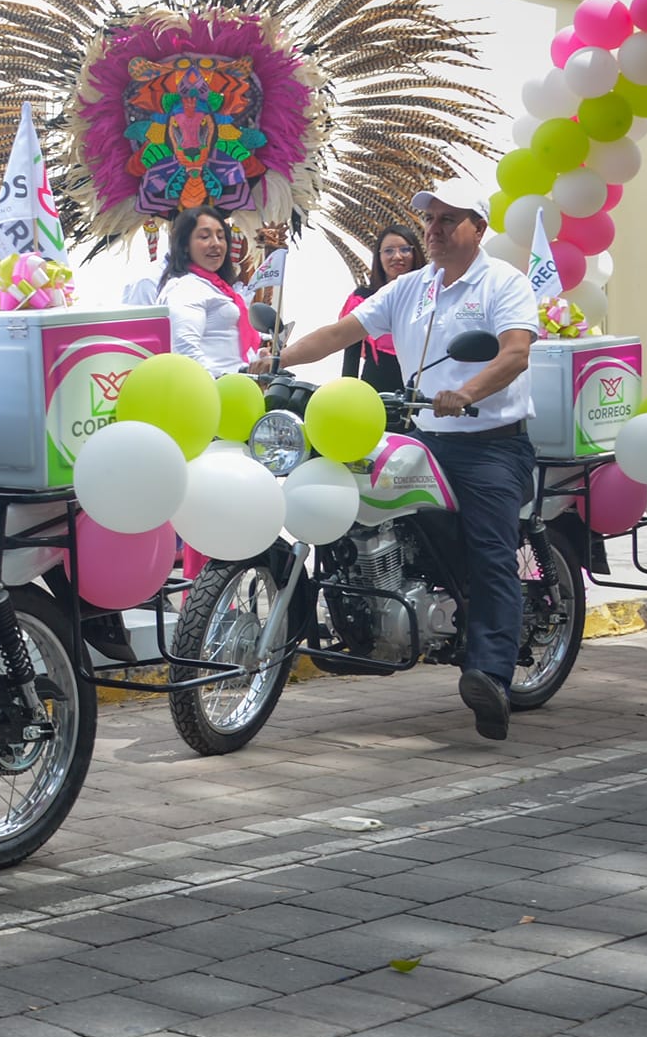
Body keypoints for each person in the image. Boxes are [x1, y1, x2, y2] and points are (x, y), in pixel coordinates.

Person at [281, 180, 538, 741]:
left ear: (479, 228)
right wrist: (274, 359)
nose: (435, 229)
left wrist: (466, 393)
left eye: (449, 219)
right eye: (430, 219)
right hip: (426, 437)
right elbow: (339, 332)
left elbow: (516, 351)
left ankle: (491, 676)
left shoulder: (503, 282)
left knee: (490, 551)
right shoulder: (411, 288)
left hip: (491, 443)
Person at [158, 205, 261, 375]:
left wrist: (257, 359)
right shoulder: (186, 287)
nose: (216, 244)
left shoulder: (217, 287)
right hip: (215, 391)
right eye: (205, 236)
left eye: (221, 237)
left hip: (238, 388)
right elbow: (184, 348)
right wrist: (211, 390)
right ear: (184, 245)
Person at [340, 223, 424, 394]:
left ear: (415, 254)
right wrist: (347, 395)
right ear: (379, 257)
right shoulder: (362, 298)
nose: (397, 256)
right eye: (389, 251)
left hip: (422, 392)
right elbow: (351, 355)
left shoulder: (430, 296)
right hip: (374, 392)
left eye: (405, 249)